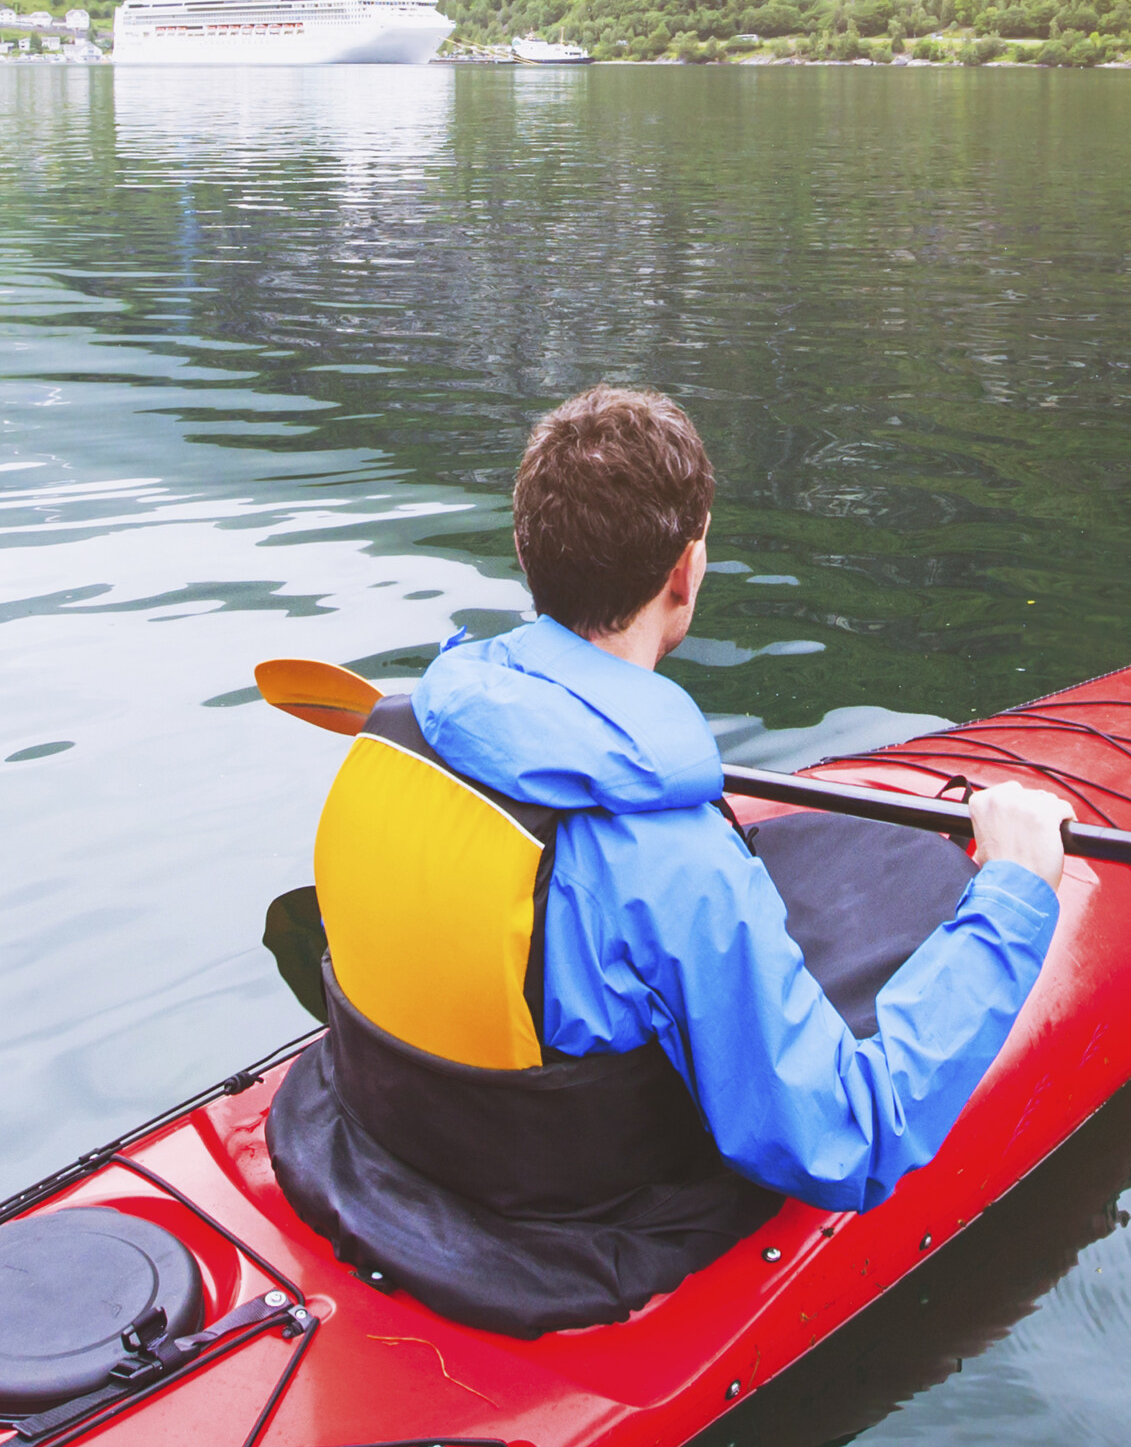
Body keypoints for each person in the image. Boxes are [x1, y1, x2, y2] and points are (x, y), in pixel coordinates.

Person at [265, 385, 1071, 1335]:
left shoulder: (394, 730)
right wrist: (1015, 893)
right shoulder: (671, 862)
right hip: (560, 1229)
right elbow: (846, 1142)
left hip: (364, 1135)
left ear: (530, 556)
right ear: (687, 574)